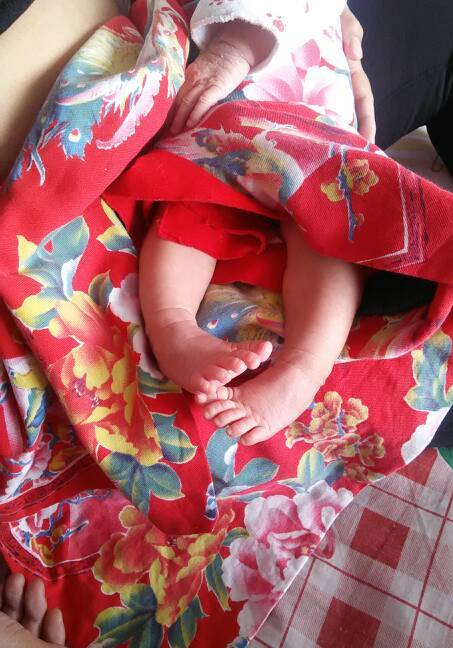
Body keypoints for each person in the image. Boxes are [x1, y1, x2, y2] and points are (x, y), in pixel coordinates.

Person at [0, 1, 453, 646]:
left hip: (274, 123)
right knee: (195, 218)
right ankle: (181, 330)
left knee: (323, 219)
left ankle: (298, 365)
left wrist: (246, 38)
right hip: (209, 161)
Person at [139, 0, 365, 447]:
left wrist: (237, 47)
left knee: (333, 232)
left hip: (313, 123)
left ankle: (303, 369)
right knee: (190, 207)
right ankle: (172, 329)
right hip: (221, 128)